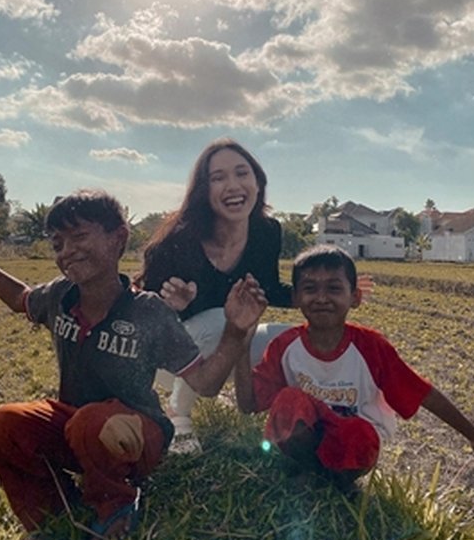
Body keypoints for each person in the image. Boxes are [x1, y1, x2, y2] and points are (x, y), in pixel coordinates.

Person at [0, 189, 268, 540]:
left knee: (94, 423)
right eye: (57, 243)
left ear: (118, 237)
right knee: (2, 424)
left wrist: (234, 332)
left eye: (79, 236)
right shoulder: (59, 296)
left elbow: (206, 383)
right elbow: (19, 298)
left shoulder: (148, 312)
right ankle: (54, 520)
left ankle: (117, 506)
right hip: (77, 429)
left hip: (138, 437)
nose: (67, 251)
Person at [140, 138, 371, 454]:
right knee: (223, 319)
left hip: (231, 343)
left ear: (258, 182)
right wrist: (172, 307)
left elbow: (270, 289)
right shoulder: (177, 242)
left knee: (293, 340)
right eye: (218, 178)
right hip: (173, 361)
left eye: (241, 173)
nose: (233, 185)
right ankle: (178, 415)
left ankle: (300, 427)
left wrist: (324, 294)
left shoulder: (266, 231)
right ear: (203, 190)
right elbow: (142, 321)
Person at [232, 245, 474, 490]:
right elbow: (248, 404)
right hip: (308, 436)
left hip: (352, 443)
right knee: (289, 401)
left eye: (333, 288)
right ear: (295, 298)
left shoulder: (371, 348)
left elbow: (423, 393)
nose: (321, 297)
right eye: (309, 288)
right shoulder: (285, 347)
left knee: (359, 433)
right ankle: (306, 471)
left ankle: (338, 482)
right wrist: (241, 342)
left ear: (354, 297)